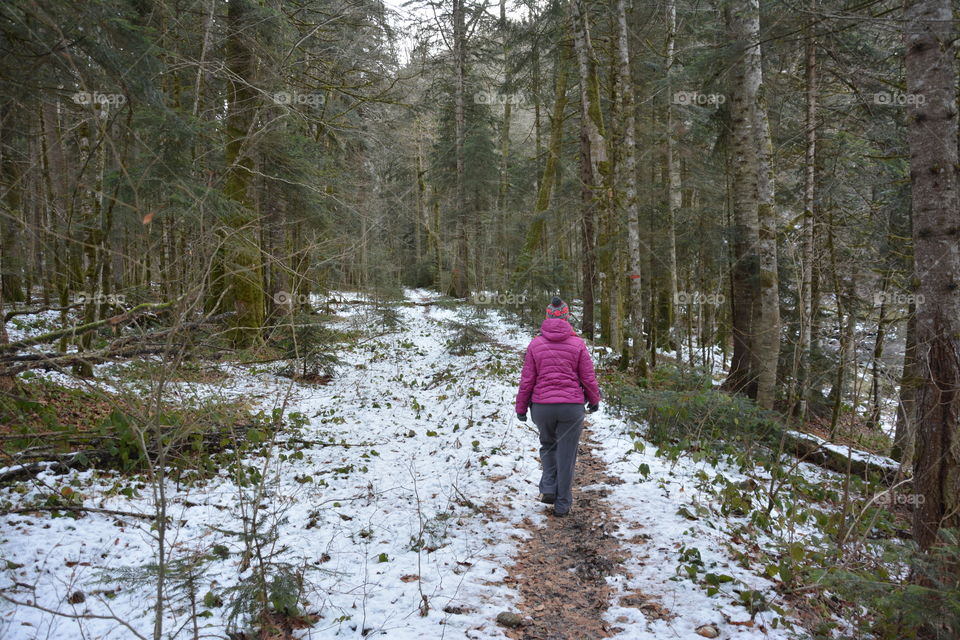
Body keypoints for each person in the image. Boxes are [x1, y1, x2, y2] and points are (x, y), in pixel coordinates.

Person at [515, 297, 601, 517]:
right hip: (571, 408)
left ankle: (548, 488)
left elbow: (527, 380)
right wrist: (594, 399)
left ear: (547, 316)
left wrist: (521, 407)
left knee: (548, 446)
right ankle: (562, 503)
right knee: (567, 454)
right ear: (566, 316)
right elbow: (588, 377)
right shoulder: (578, 344)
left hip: (542, 407)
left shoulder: (535, 344)